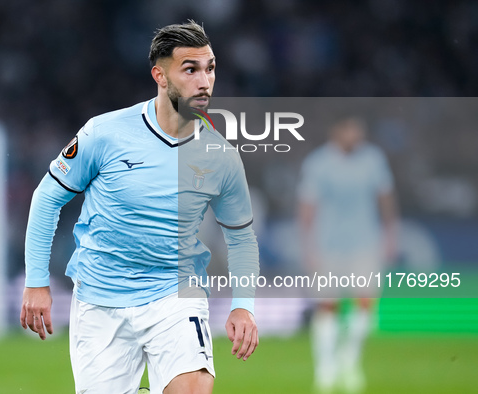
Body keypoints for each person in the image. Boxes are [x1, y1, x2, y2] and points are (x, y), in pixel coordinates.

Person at [21, 21, 260, 394]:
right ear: (160, 76)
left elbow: (241, 237)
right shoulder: (105, 133)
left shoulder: (221, 156)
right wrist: (37, 281)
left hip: (176, 294)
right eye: (191, 69)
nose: (205, 81)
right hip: (100, 298)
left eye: (210, 68)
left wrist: (243, 305)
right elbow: (48, 196)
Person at [298, 116, 398, 393]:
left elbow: (385, 198)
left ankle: (350, 361)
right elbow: (307, 206)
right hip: (327, 244)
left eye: (359, 128)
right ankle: (325, 369)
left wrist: (391, 235)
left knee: (365, 303)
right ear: (337, 130)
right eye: (351, 128)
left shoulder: (373, 160)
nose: (356, 134)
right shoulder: (318, 163)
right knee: (327, 306)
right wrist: (308, 247)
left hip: (365, 243)